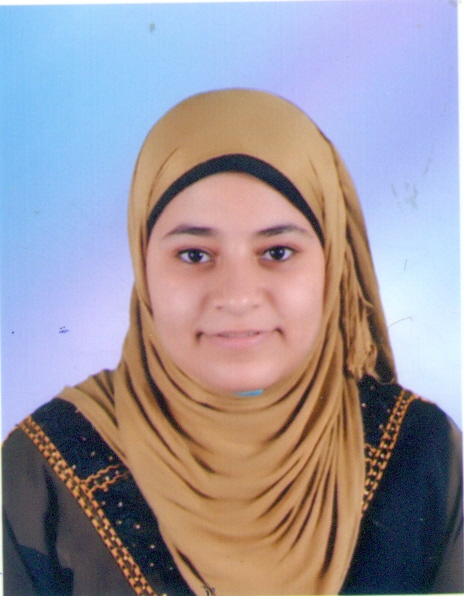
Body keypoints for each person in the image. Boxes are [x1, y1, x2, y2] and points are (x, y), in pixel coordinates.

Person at [3, 89, 462, 596]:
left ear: (332, 262)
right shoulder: (41, 472)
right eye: (195, 255)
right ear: (143, 264)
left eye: (278, 252)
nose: (238, 296)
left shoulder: (421, 454)